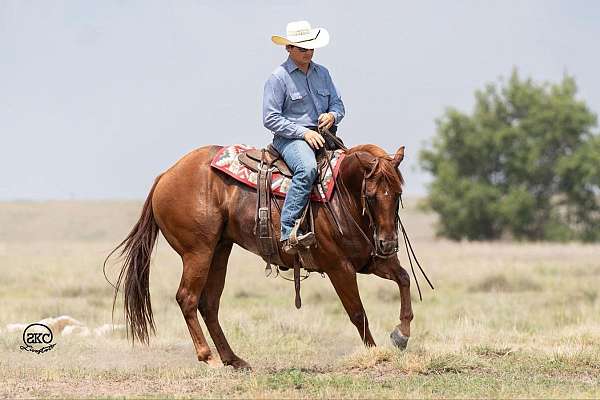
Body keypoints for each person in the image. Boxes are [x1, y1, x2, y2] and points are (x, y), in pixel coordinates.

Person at [263, 20, 345, 254]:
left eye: (311, 48)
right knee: (307, 169)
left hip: (325, 135)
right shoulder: (278, 78)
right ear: (288, 48)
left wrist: (332, 115)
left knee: (352, 169)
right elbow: (270, 118)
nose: (308, 52)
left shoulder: (323, 73)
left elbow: (338, 104)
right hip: (290, 138)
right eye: (302, 48)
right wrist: (304, 133)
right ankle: (288, 232)